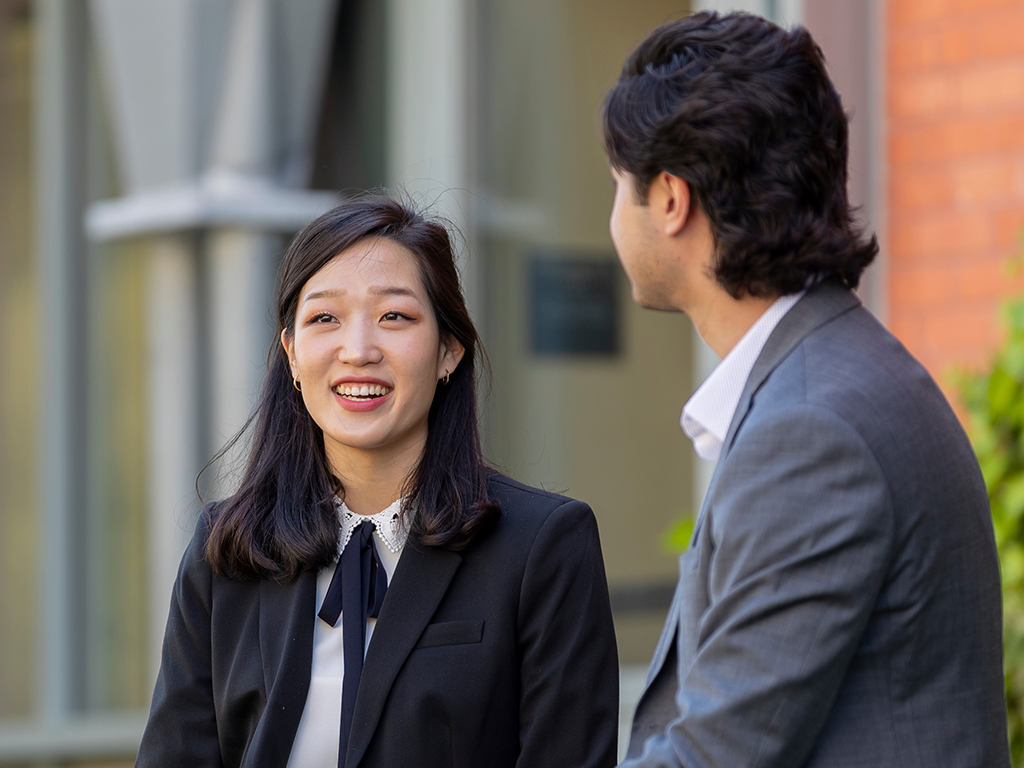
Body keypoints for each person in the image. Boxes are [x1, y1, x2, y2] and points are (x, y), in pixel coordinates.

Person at [603, 11, 1010, 768]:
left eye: (617, 185)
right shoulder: (842, 378)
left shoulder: (811, 432)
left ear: (669, 200)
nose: (611, 216)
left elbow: (714, 755)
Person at [135, 194, 619, 768]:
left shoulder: (542, 546)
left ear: (448, 351)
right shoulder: (230, 552)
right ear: (291, 354)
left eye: (395, 316)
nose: (358, 350)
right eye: (324, 318)